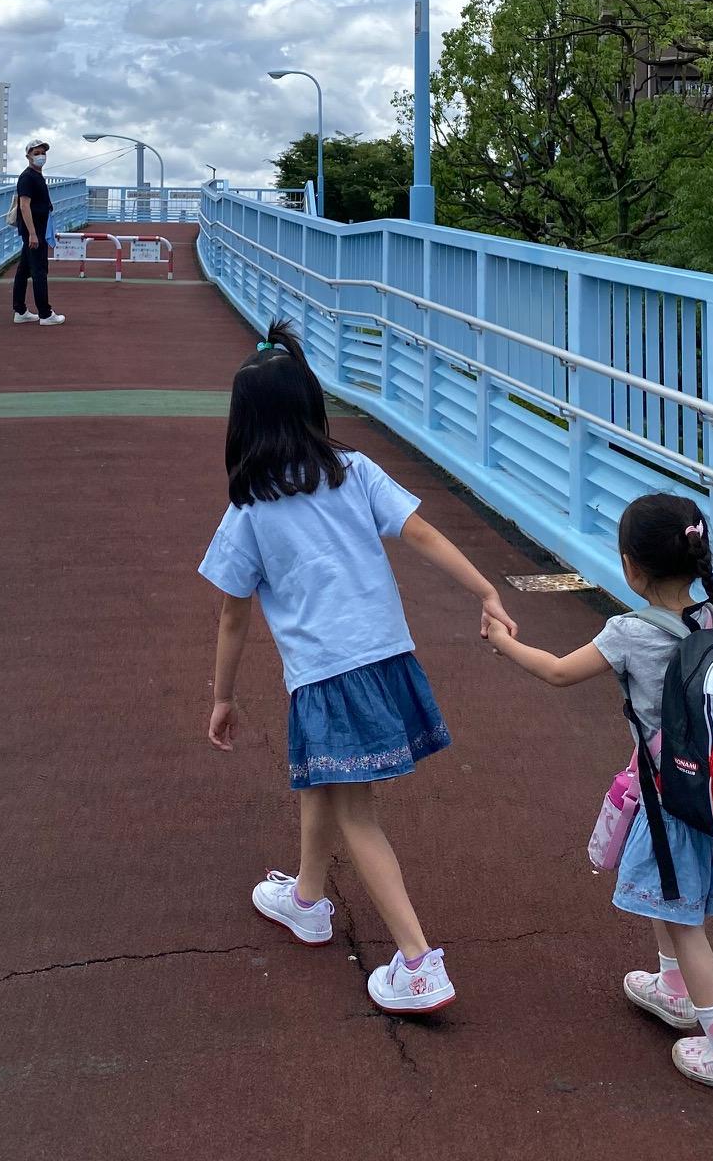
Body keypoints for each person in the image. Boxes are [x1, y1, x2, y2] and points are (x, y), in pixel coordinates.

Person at [200, 319, 517, 1015]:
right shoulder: (354, 472)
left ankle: (418, 962)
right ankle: (308, 900)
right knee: (324, 779)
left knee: (355, 812)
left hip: (327, 676)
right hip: (385, 658)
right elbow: (421, 532)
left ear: (243, 426)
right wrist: (486, 589)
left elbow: (232, 614)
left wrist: (222, 697)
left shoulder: (250, 509)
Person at [485, 492, 713, 1098]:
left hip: (671, 805)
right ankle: (673, 989)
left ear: (631, 567)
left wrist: (502, 641)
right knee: (672, 901)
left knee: (685, 921)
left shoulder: (630, 633)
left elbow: (558, 671)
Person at [11, 136, 64, 327]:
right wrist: (33, 233)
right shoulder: (27, 177)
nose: (41, 156)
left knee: (24, 270)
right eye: (36, 153)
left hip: (38, 229)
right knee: (39, 271)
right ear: (28, 156)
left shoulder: (36, 176)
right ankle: (45, 313)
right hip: (34, 231)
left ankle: (20, 311)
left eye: (43, 153)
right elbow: (24, 205)